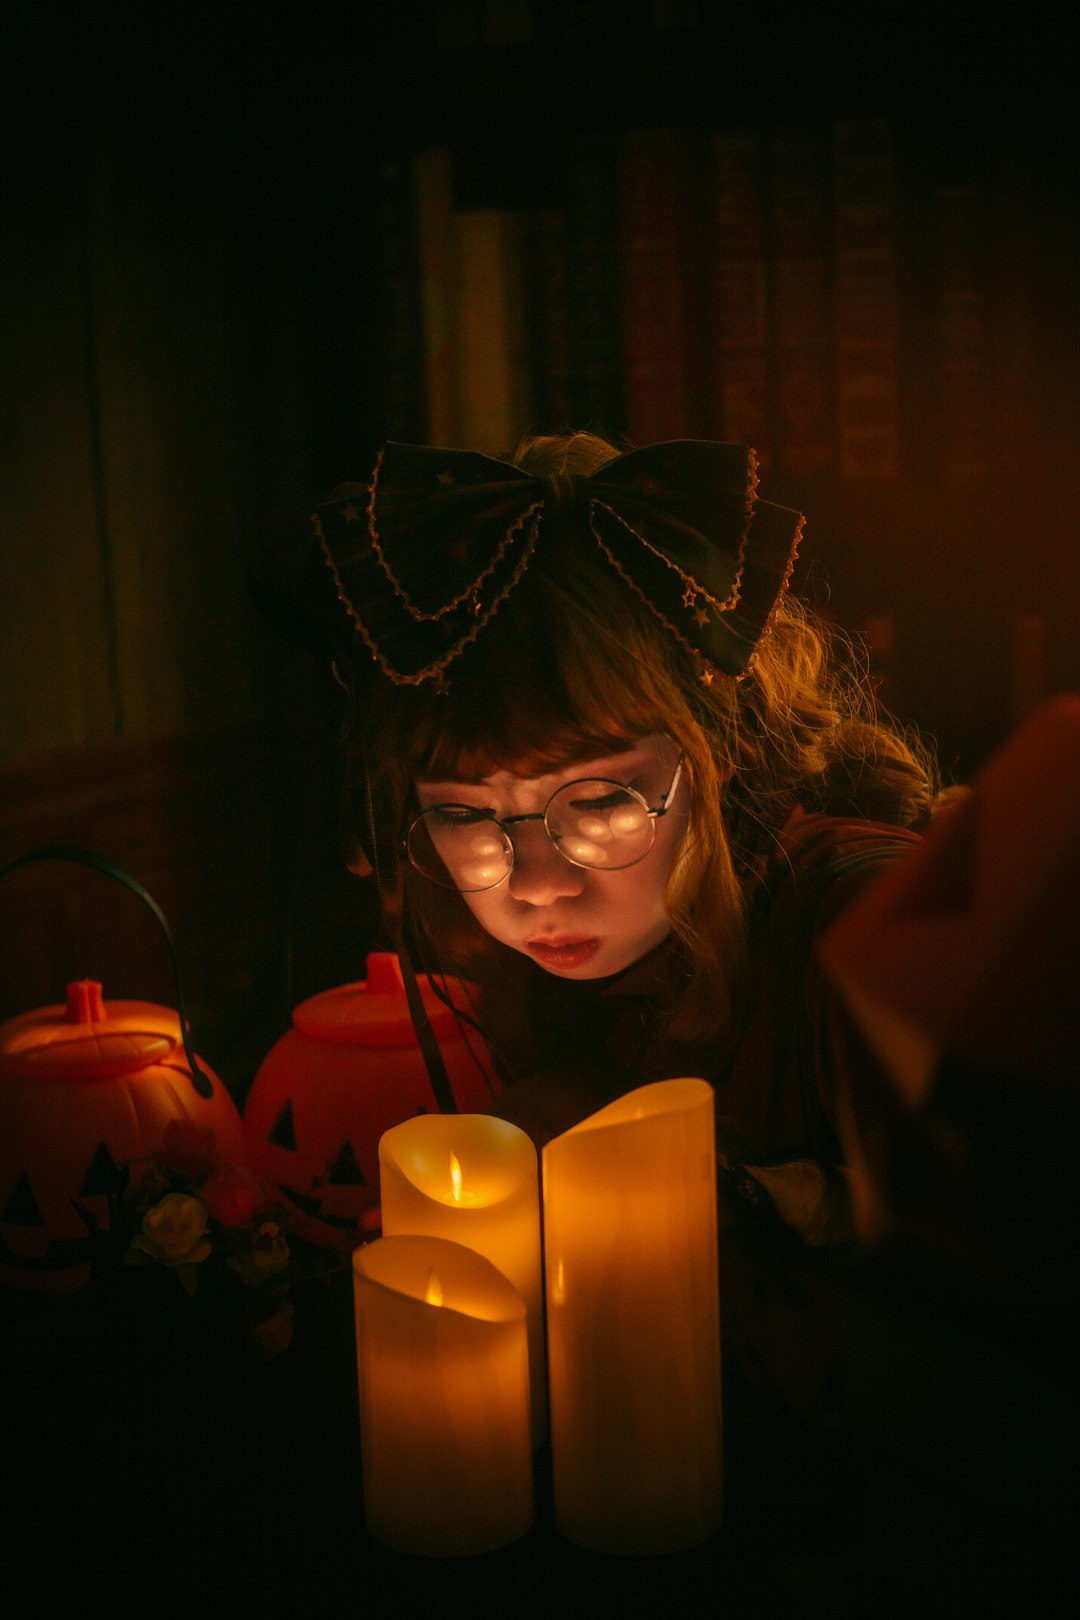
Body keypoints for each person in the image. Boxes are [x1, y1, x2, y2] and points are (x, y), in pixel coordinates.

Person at [311, 429, 946, 1447]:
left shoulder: (867, 930)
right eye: (469, 816)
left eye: (599, 800)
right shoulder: (549, 977)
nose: (535, 885)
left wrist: (753, 1200)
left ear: (722, 750)